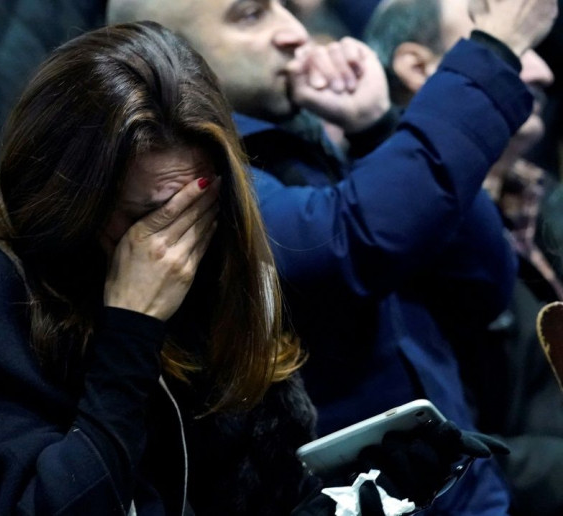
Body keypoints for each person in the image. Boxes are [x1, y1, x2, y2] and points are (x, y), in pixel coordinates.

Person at [0, 21, 507, 516]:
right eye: (147, 214)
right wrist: (129, 329)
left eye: (195, 208)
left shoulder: (210, 259)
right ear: (66, 196)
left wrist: (360, 497)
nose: (172, 245)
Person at [106, 0, 558, 514]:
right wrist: (491, 54)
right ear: (162, 53)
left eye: (283, 7)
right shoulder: (182, 184)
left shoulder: (310, 142)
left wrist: (376, 125)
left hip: (461, 491)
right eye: (251, 15)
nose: (295, 32)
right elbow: (345, 243)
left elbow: (481, 282)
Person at [365, 1, 563, 514]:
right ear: (418, 68)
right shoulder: (393, 226)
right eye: (514, 47)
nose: (542, 70)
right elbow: (448, 440)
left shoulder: (544, 197)